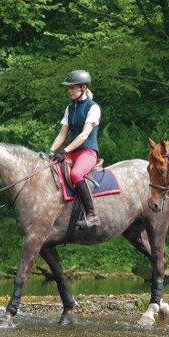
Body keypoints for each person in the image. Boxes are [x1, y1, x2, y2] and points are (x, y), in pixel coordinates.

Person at [47, 69, 102, 228]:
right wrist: (50, 152)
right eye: (68, 87)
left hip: (88, 152)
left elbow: (84, 135)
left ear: (84, 87)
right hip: (72, 152)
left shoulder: (93, 108)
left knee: (76, 174)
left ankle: (92, 215)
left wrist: (65, 151)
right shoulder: (69, 108)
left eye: (72, 87)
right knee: (50, 171)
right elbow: (62, 134)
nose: (69, 90)